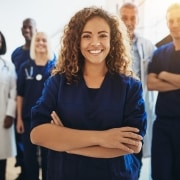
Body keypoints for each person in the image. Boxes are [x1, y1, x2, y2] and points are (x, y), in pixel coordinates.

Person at [30, 7, 147, 180]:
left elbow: (132, 145)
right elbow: (37, 134)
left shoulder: (130, 87)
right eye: (86, 36)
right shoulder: (59, 82)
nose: (95, 42)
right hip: (66, 174)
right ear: (76, 40)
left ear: (112, 40)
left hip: (115, 175)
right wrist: (104, 138)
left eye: (102, 35)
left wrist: (67, 144)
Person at [119, 2, 157, 175]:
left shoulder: (147, 46)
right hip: (116, 106)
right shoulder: (110, 44)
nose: (129, 22)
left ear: (137, 20)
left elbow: (155, 74)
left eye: (132, 18)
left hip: (137, 107)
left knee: (136, 152)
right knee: (118, 154)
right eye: (124, 18)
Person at [16, 31, 56, 180]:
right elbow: (20, 95)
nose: (40, 43)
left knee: (48, 159)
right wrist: (19, 118)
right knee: (29, 159)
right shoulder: (25, 67)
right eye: (38, 40)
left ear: (48, 44)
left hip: (49, 121)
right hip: (28, 120)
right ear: (33, 44)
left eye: (44, 40)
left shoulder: (55, 68)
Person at [147, 3, 180, 180]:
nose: (174, 24)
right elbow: (151, 84)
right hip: (163, 125)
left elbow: (158, 79)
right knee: (161, 174)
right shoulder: (160, 53)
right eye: (171, 21)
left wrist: (165, 74)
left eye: (179, 20)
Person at [11, 17, 37, 180]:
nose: (27, 30)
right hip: (20, 103)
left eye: (30, 27)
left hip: (38, 107)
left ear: (36, 29)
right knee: (20, 139)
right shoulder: (16, 54)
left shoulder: (42, 51)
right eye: (24, 27)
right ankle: (24, 170)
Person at [0, 31, 17, 180]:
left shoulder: (8, 66)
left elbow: (13, 91)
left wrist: (10, 114)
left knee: (1, 156)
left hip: (2, 116)